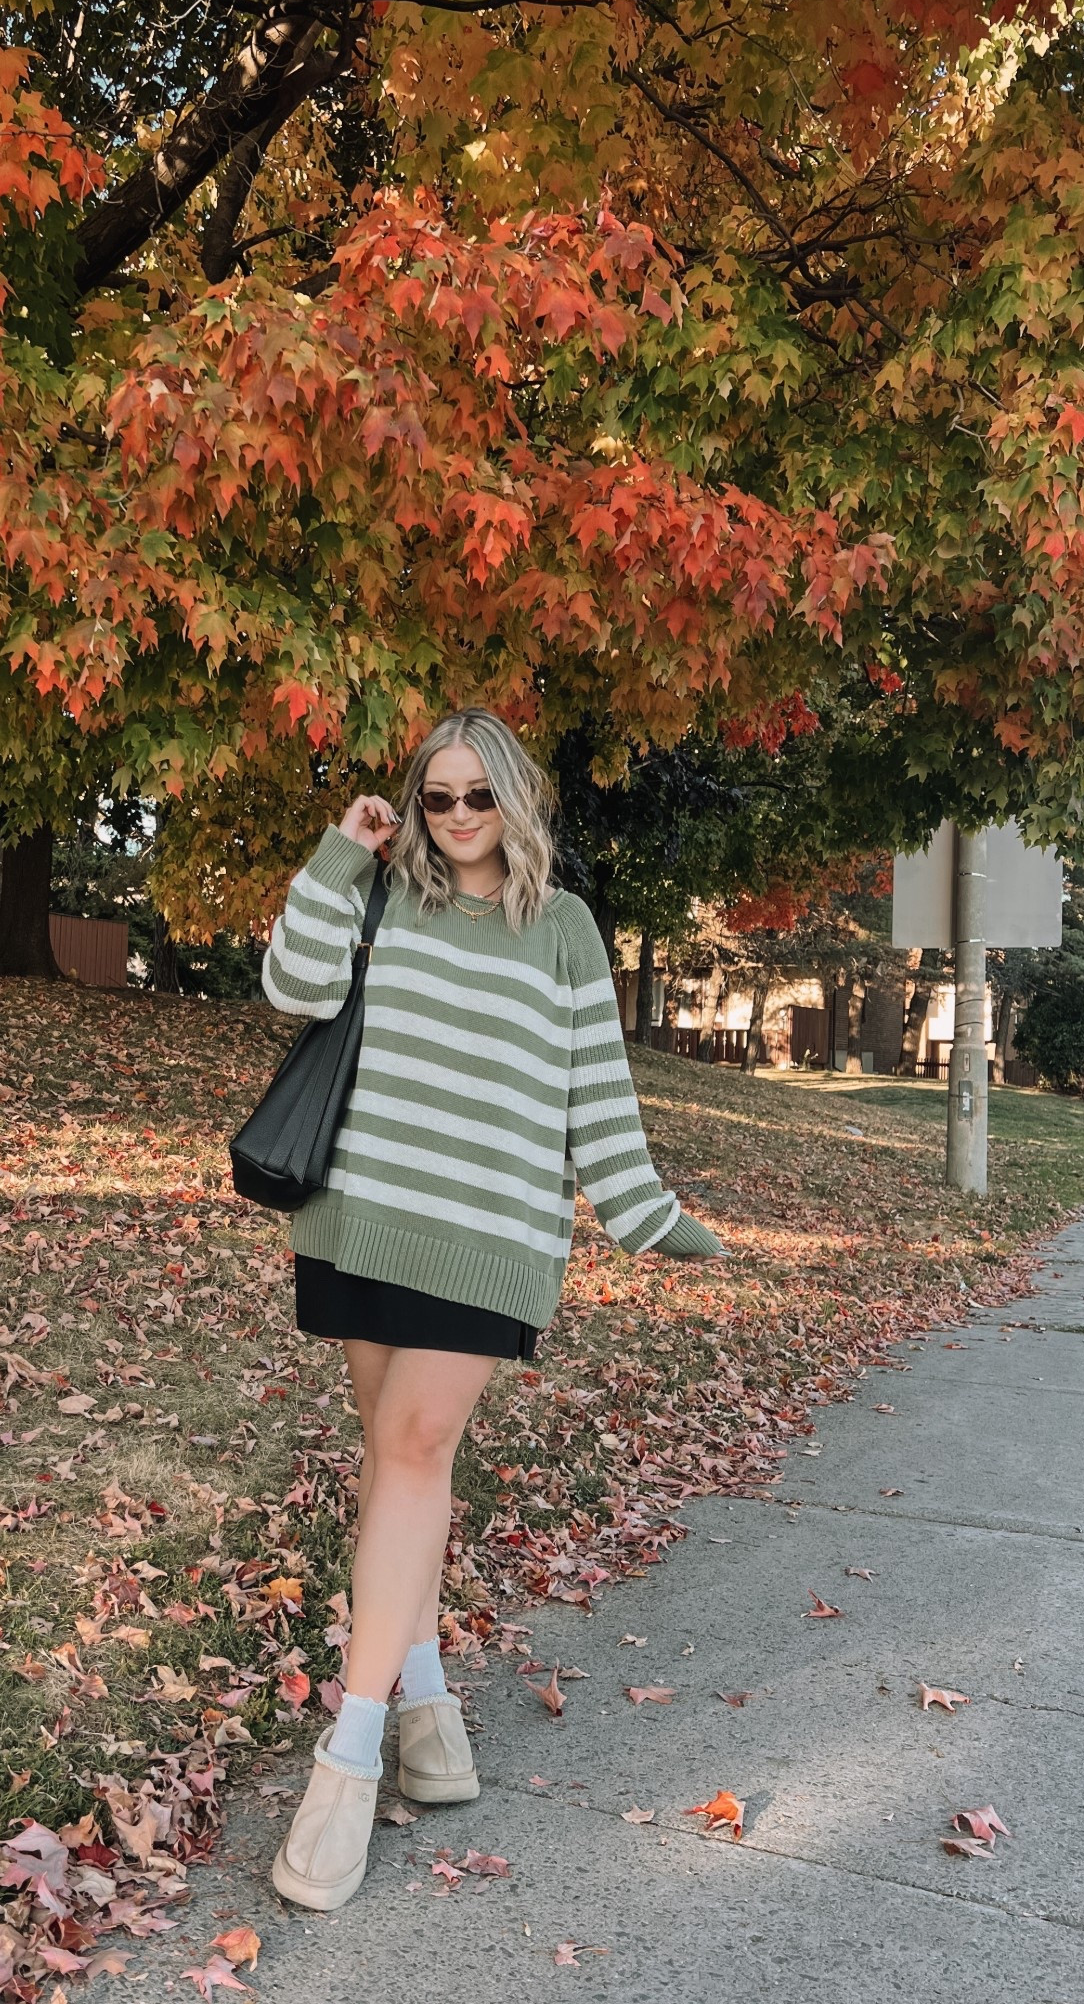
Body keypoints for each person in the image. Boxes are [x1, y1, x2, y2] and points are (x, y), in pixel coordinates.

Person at [258, 707, 727, 1910]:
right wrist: (341, 850)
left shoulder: (562, 927)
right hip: (364, 1213)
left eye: (479, 794)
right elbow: (291, 983)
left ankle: (349, 1757)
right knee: (392, 1458)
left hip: (489, 1240)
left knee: (416, 1446)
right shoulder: (382, 893)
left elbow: (595, 1091)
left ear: (515, 799)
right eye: (438, 795)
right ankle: (426, 1705)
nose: (459, 815)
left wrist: (646, 1213)